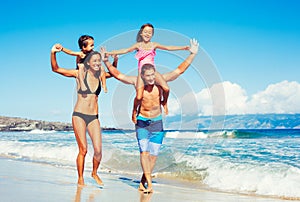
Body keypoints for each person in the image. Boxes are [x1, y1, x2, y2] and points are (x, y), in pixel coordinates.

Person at [101, 38, 199, 193]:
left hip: (157, 123)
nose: (152, 78)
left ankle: (143, 180)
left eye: (153, 75)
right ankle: (150, 185)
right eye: (149, 76)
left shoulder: (161, 83)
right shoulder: (136, 82)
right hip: (141, 122)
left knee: (153, 156)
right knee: (144, 153)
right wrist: (106, 62)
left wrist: (192, 54)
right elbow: (118, 75)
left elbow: (179, 70)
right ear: (142, 76)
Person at [50, 44, 117, 186]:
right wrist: (53, 53)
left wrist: (115, 61)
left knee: (98, 150)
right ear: (88, 63)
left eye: (99, 61)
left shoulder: (101, 76)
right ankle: (80, 178)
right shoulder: (78, 74)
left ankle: (94, 173)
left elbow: (114, 73)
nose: (98, 63)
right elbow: (56, 69)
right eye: (95, 61)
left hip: (94, 117)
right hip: (79, 115)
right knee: (84, 149)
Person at [106, 23, 190, 120]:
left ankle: (164, 103)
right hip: (141, 74)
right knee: (139, 96)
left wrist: (183, 47)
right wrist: (110, 53)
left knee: (166, 88)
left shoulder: (154, 45)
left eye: (150, 32)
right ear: (141, 33)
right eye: (145, 32)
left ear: (152, 34)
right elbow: (125, 50)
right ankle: (134, 111)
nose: (147, 34)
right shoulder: (138, 45)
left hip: (152, 72)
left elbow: (168, 47)